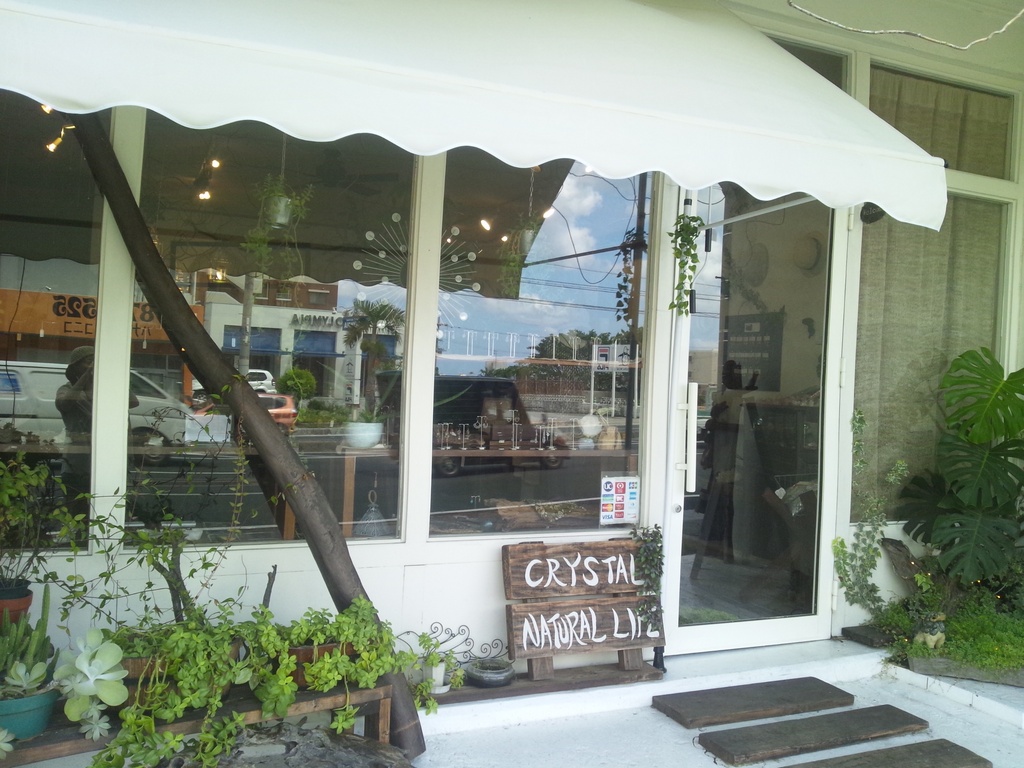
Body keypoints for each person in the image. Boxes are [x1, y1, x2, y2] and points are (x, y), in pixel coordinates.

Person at [55, 345, 96, 516]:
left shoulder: (103, 390)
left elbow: (133, 402)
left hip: (100, 460)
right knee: (75, 511)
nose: (93, 366)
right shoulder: (66, 389)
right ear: (75, 367)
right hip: (76, 462)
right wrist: (86, 377)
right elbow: (64, 403)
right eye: (89, 362)